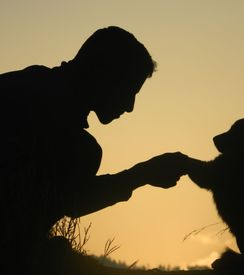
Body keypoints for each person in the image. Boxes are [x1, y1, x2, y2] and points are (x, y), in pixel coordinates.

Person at [0, 26, 188, 272]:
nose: (130, 106)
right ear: (104, 76)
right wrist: (141, 175)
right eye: (129, 91)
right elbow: (71, 200)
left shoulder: (23, 85)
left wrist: (141, 174)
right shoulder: (74, 144)